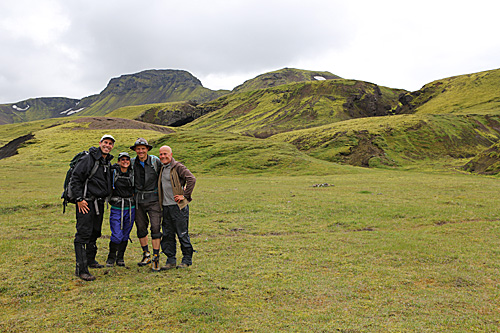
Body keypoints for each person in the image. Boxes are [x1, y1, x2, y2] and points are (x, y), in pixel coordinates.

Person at [72, 134, 115, 281]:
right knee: (83, 233)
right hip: (86, 202)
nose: (107, 145)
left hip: (99, 202)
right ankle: (81, 269)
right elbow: (75, 178)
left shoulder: (106, 162)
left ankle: (90, 260)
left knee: (95, 232)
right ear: (100, 143)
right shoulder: (88, 159)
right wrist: (79, 199)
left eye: (110, 144)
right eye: (105, 142)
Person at [158, 145, 196, 269]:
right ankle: (170, 260)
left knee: (182, 233)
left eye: (165, 154)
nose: (163, 156)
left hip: (178, 207)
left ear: (171, 154)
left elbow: (191, 179)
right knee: (167, 234)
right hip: (166, 207)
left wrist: (185, 195)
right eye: (161, 154)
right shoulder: (161, 168)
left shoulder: (178, 167)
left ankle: (187, 259)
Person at [130, 138, 163, 271]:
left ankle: (155, 257)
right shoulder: (132, 162)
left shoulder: (155, 161)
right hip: (138, 201)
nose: (141, 151)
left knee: (155, 228)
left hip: (154, 200)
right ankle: (146, 254)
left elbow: (167, 171)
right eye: (138, 148)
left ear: (147, 149)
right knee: (141, 228)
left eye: (143, 148)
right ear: (135, 150)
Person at [106, 152, 135, 267]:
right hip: (116, 207)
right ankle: (111, 256)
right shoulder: (113, 172)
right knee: (116, 234)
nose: (125, 162)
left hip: (130, 207)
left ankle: (120, 257)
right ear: (118, 161)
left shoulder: (132, 173)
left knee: (126, 233)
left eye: (127, 160)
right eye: (122, 160)